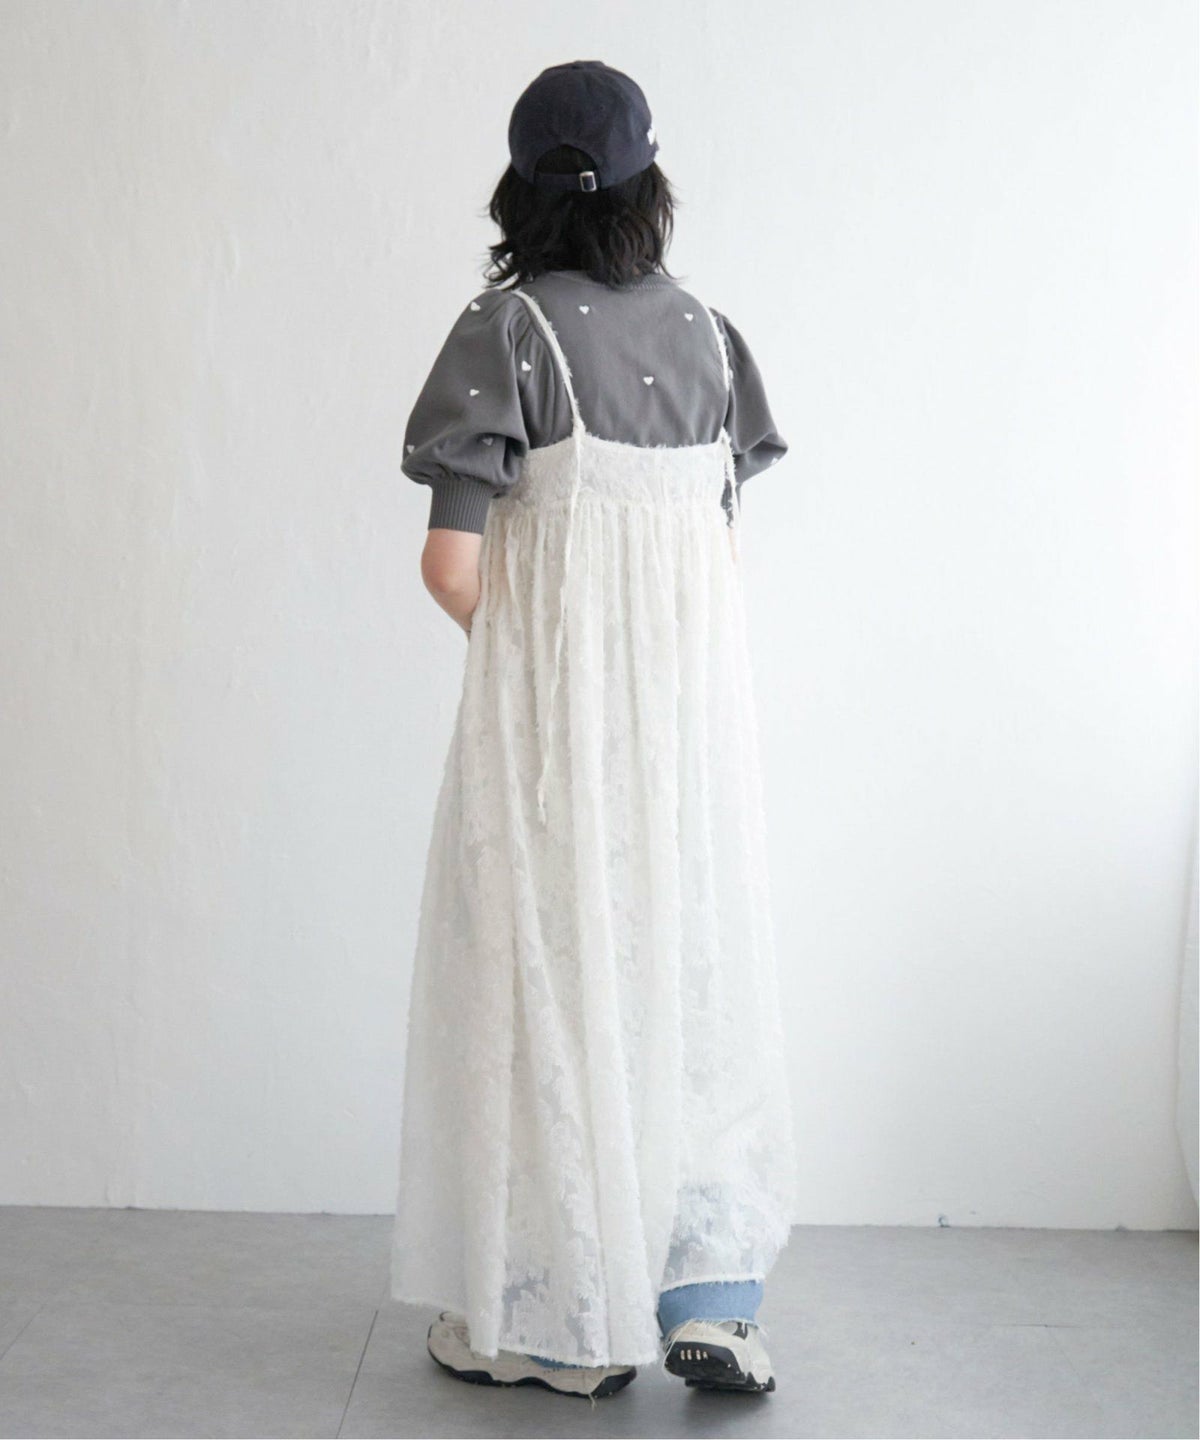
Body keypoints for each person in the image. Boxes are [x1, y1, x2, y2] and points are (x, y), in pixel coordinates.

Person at [390, 60, 798, 1400]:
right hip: (692, 742)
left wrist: (540, 670)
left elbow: (453, 568)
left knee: (546, 991)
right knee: (688, 983)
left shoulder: (507, 335)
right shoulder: (711, 339)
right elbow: (709, 558)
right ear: (647, 186)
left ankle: (558, 1322)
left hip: (553, 740)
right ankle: (711, 1296)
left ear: (519, 192)